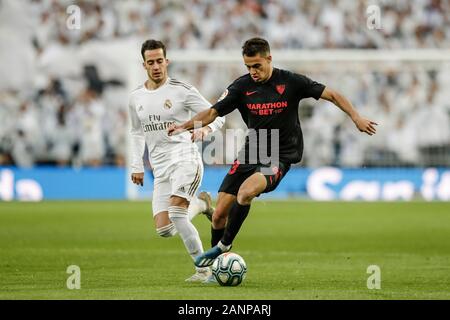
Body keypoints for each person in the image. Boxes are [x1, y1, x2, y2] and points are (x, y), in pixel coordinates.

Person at [168, 37, 377, 268]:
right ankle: (217, 266)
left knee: (246, 192)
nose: (253, 71)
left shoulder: (291, 81)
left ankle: (224, 247)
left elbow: (333, 95)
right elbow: (211, 113)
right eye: (248, 66)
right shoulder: (240, 87)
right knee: (218, 216)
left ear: (269, 58)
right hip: (253, 148)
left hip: (280, 153)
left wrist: (356, 117)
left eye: (257, 65)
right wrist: (183, 126)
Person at [129, 39, 225, 282]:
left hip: (186, 159)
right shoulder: (136, 97)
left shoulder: (183, 91)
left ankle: (204, 270)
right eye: (150, 62)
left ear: (167, 61)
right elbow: (136, 132)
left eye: (159, 61)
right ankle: (202, 204)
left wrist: (205, 130)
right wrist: (137, 165)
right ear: (144, 65)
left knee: (177, 214)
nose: (156, 66)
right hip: (160, 169)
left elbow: (218, 115)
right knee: (164, 229)